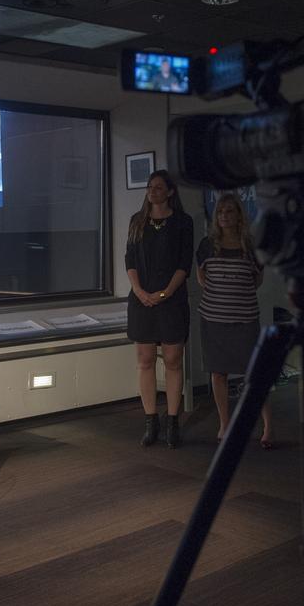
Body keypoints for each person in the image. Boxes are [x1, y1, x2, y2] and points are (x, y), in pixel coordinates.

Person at [195, 192, 272, 448]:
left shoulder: (251, 246)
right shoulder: (207, 245)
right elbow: (202, 278)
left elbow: (257, 279)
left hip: (244, 320)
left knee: (255, 373)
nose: (224, 216)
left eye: (229, 211)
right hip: (214, 319)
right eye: (220, 212)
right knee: (219, 373)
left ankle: (268, 426)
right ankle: (225, 423)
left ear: (239, 214)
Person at [125, 170, 194, 448]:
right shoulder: (136, 222)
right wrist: (141, 292)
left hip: (172, 300)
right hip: (141, 300)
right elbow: (129, 261)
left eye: (158, 187)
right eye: (149, 187)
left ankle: (172, 421)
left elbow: (184, 264)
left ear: (170, 192)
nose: (152, 191)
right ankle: (151, 420)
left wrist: (164, 293)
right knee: (144, 360)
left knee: (173, 360)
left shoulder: (182, 222)